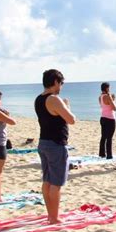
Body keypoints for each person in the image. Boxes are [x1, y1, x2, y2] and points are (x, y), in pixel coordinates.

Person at [35, 69, 76, 224]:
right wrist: (67, 105)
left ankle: (50, 215)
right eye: (61, 83)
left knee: (47, 181)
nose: (61, 87)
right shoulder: (54, 99)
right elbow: (71, 119)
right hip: (55, 144)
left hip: (44, 142)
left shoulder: (39, 99)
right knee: (56, 183)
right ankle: (54, 217)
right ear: (55, 82)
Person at [99, 82, 116, 159]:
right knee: (109, 137)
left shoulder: (100, 97)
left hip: (103, 117)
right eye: (109, 88)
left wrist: (111, 99)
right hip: (110, 118)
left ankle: (102, 154)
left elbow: (104, 106)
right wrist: (113, 99)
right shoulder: (107, 96)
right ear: (107, 88)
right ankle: (109, 155)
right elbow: (114, 108)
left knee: (103, 137)